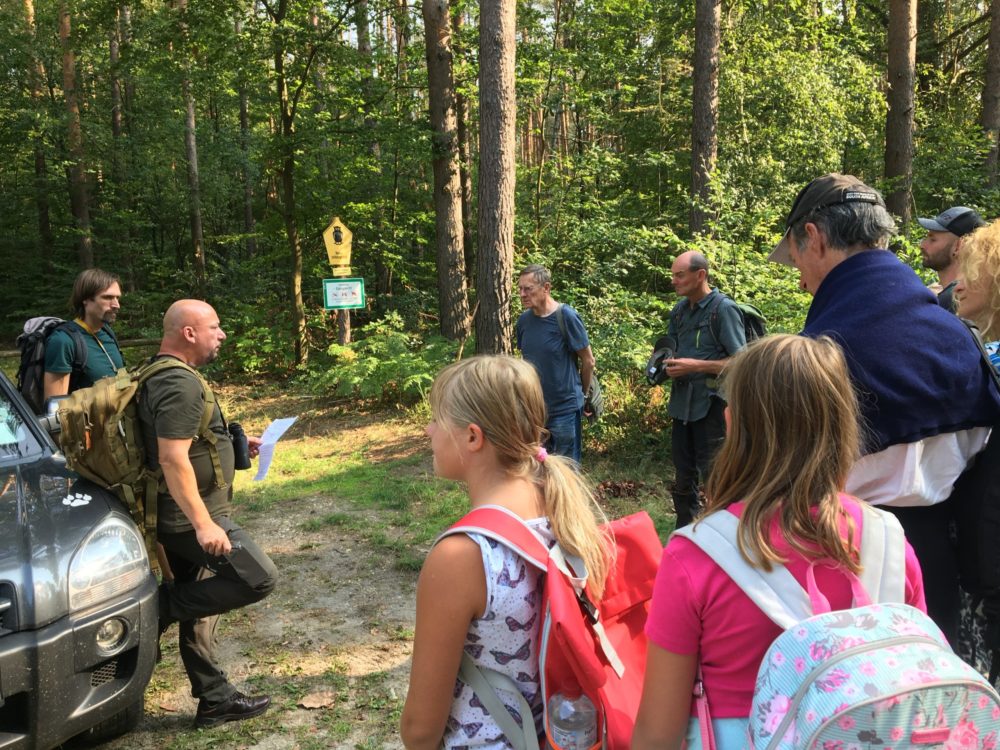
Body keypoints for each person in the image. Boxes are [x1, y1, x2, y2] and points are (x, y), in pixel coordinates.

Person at [631, 335, 926, 749]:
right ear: (843, 427)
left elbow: (657, 734)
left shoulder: (694, 557)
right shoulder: (890, 542)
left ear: (732, 424)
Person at [768, 173, 1000, 646]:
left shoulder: (818, 354)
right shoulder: (958, 337)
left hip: (840, 565)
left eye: (796, 259)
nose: (801, 280)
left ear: (814, 237)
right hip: (943, 566)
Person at [399, 355, 611, 748]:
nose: (428, 430)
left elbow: (420, 729)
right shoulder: (563, 512)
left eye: (437, 419)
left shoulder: (462, 556)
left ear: (473, 437)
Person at [140, 299, 277, 728]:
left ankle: (214, 698)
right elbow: (172, 458)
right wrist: (203, 524)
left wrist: (233, 444)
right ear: (188, 333)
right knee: (258, 577)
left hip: (185, 513)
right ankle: (158, 609)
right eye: (214, 327)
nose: (222, 334)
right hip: (189, 519)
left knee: (200, 601)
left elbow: (186, 441)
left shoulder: (164, 373)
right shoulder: (178, 383)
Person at [661, 251, 746, 528]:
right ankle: (685, 532)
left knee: (716, 476)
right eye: (673, 275)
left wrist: (695, 366)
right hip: (681, 406)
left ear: (700, 275)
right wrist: (664, 366)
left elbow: (741, 361)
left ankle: (720, 532)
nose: (673, 281)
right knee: (683, 475)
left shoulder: (724, 310)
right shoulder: (679, 312)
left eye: (679, 275)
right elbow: (670, 350)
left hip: (712, 408)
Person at [515, 264, 596, 463]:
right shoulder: (523, 321)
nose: (522, 294)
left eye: (528, 289)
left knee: (566, 470)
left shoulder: (566, 316)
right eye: (520, 289)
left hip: (565, 410)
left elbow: (588, 361)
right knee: (537, 470)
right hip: (534, 412)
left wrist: (583, 395)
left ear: (546, 288)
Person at [43, 268, 125, 400]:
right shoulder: (63, 341)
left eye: (117, 298)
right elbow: (56, 408)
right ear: (85, 299)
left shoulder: (107, 332)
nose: (117, 305)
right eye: (108, 297)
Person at [918, 206, 985, 311]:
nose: (922, 245)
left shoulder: (956, 301)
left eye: (933, 239)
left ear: (959, 246)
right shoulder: (938, 295)